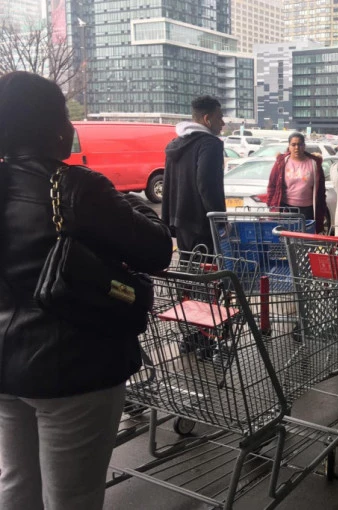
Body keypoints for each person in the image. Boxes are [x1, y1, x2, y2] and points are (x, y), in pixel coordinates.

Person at [0, 71, 173, 509]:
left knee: (16, 486)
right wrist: (127, 200)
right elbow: (156, 248)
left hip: (5, 366)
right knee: (72, 497)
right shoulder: (77, 186)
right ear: (54, 127)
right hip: (73, 369)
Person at [162, 95, 226, 253]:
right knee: (207, 267)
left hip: (180, 222)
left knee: (188, 266)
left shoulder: (176, 143)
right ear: (207, 119)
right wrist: (220, 221)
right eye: (219, 117)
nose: (223, 123)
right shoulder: (210, 144)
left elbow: (168, 183)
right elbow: (207, 185)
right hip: (202, 224)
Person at [267, 132, 326, 231]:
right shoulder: (281, 162)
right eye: (293, 145)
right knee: (286, 238)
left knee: (304, 237)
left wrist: (322, 209)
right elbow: (272, 185)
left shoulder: (314, 163)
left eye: (300, 144)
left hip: (307, 210)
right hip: (286, 209)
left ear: (304, 146)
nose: (297, 148)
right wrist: (271, 205)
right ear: (289, 146)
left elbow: (321, 190)